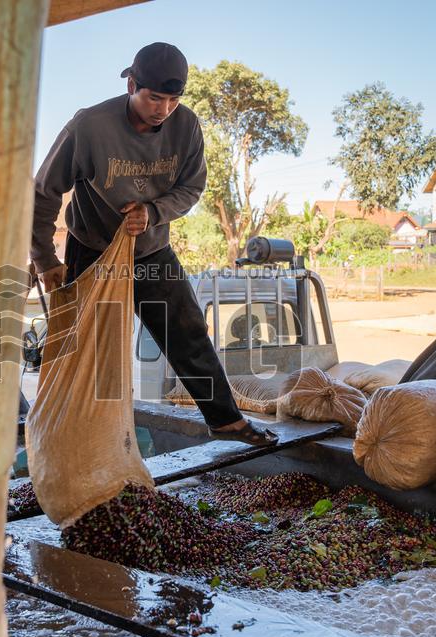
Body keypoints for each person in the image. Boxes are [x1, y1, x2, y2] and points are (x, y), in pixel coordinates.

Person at [30, 42, 278, 446]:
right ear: (132, 84)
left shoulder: (186, 127)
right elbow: (44, 191)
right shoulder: (89, 126)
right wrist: (44, 259)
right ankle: (79, 437)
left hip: (149, 250)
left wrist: (154, 211)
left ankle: (226, 420)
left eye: (173, 100)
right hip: (91, 250)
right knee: (89, 349)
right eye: (154, 98)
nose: (163, 109)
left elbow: (192, 187)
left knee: (187, 330)